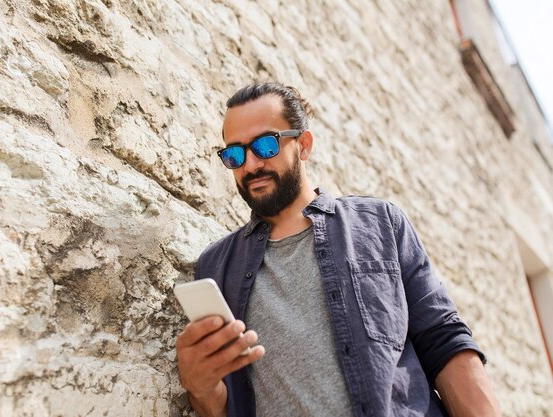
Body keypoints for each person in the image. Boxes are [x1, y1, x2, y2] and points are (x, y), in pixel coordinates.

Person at [176, 82, 500, 417]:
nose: (250, 165)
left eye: (265, 145)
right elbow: (227, 406)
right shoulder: (216, 267)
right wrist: (200, 387)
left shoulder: (380, 223)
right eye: (235, 154)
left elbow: (444, 340)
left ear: (303, 145)